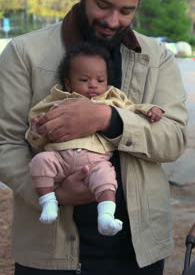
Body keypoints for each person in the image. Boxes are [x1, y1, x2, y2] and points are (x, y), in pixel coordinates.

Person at [0, 0, 188, 275]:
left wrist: (107, 119)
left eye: (126, 11)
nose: (113, 20)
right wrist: (50, 192)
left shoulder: (156, 57)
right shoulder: (25, 53)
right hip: (51, 259)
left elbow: (174, 137)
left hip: (136, 257)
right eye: (103, 5)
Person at [26, 42, 164, 235]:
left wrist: (150, 109)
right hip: (59, 158)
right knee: (40, 162)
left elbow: (132, 108)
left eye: (100, 80)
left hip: (96, 161)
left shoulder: (113, 97)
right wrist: (36, 129)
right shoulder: (56, 100)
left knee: (106, 177)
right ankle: (48, 202)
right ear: (68, 82)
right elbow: (37, 127)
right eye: (84, 79)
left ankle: (106, 216)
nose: (93, 85)